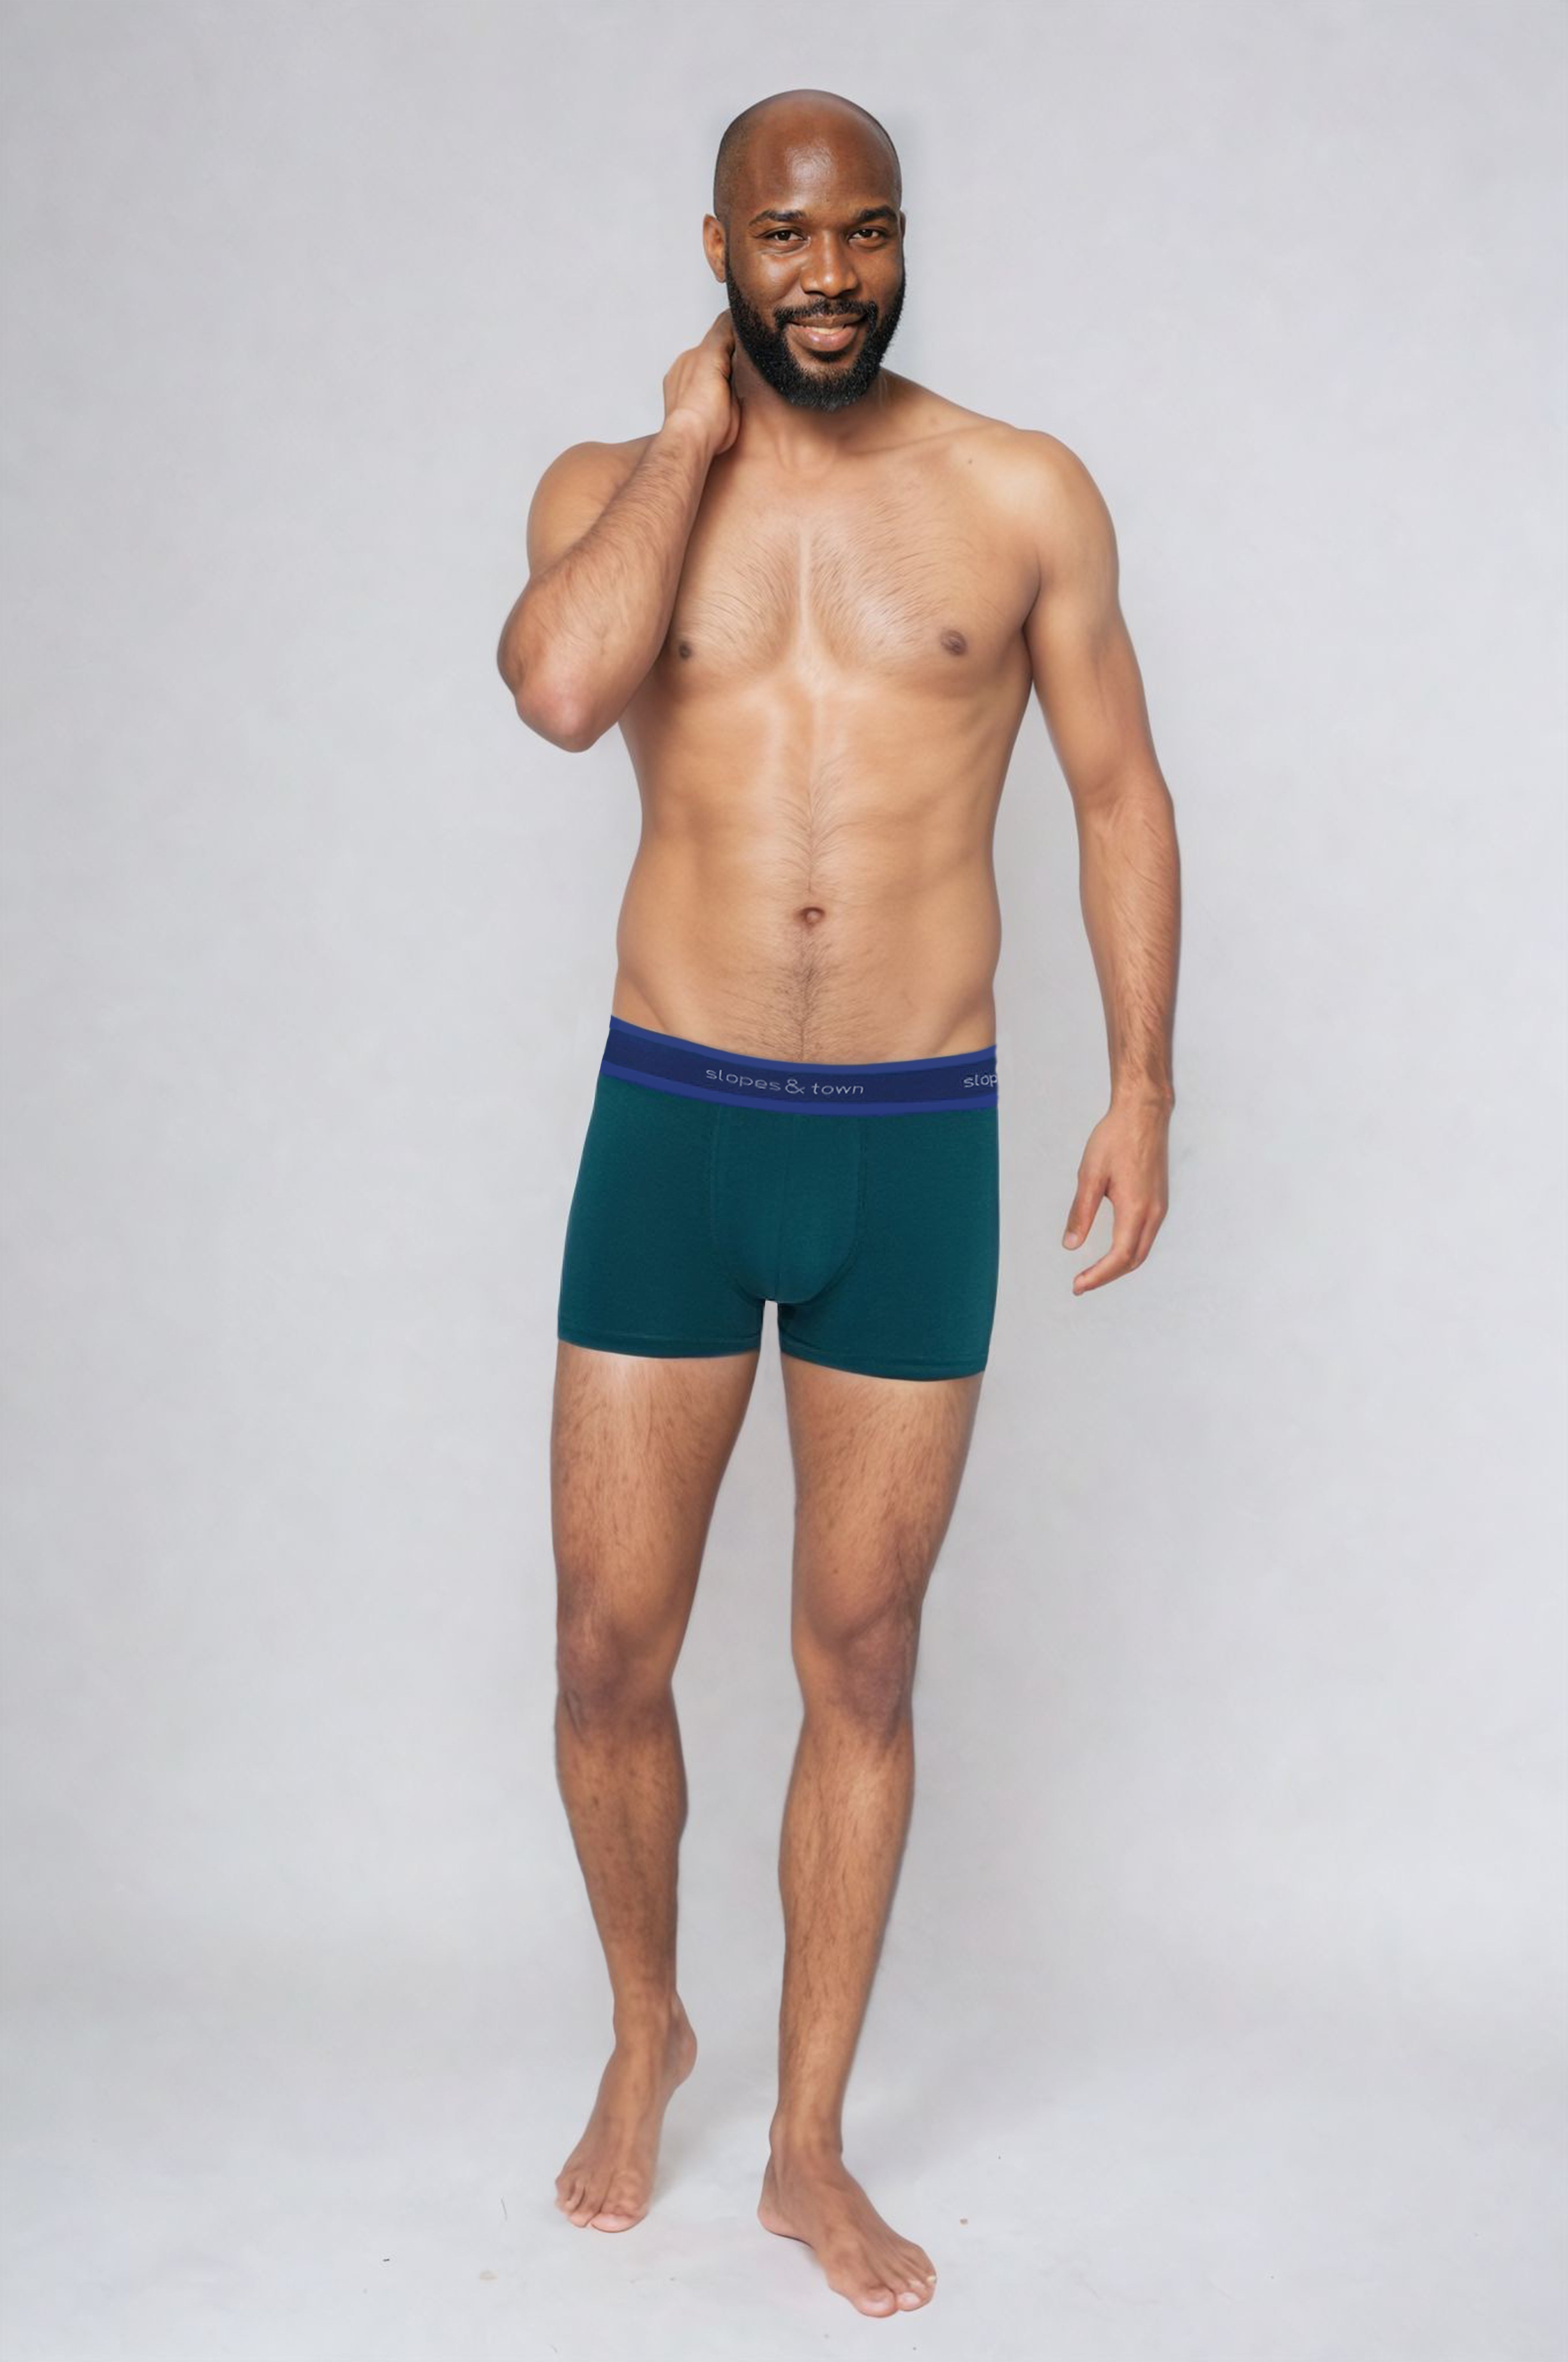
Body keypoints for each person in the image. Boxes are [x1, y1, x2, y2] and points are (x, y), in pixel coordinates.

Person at [494, 85, 1180, 2321]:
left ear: (899, 244)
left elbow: (1115, 791)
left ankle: (805, 2144)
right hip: (675, 1123)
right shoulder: (608, 492)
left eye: (865, 235)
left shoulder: (1016, 492)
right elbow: (558, 689)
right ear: (718, 249)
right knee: (605, 1647)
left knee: (861, 1658)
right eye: (787, 239)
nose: (831, 278)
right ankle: (645, 2030)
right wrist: (687, 445)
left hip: (912, 1139)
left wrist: (1144, 1080)